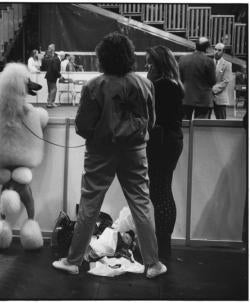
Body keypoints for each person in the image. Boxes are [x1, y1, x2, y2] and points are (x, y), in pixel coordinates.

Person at [52, 32, 166, 278]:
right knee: (141, 203)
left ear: (102, 57)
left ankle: (73, 261)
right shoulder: (145, 84)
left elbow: (83, 125)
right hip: (135, 151)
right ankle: (153, 263)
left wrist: (100, 134)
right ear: (128, 56)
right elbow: (152, 121)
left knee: (90, 204)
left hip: (100, 151)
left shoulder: (94, 86)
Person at [145, 45, 184, 261]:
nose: (147, 66)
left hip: (163, 143)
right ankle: (163, 245)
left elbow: (155, 119)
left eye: (150, 62)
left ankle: (163, 246)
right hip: (169, 142)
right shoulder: (172, 84)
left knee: (160, 193)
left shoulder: (161, 86)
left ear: (160, 64)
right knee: (161, 192)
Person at [179, 37, 216, 119]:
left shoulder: (183, 59)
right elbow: (213, 81)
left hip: (186, 98)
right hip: (204, 100)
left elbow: (180, 79)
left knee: (185, 126)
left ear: (195, 46)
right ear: (207, 48)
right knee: (201, 128)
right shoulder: (209, 61)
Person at [212, 43, 233, 119]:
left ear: (223, 52)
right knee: (204, 121)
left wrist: (212, 90)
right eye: (215, 49)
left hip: (220, 98)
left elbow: (225, 81)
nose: (216, 51)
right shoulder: (208, 63)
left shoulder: (227, 64)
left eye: (219, 50)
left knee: (221, 122)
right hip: (208, 98)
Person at [44, 43, 63, 108]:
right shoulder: (56, 58)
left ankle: (50, 102)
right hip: (52, 75)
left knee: (50, 90)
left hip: (49, 75)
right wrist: (60, 75)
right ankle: (50, 103)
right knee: (53, 89)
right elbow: (55, 69)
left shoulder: (49, 56)